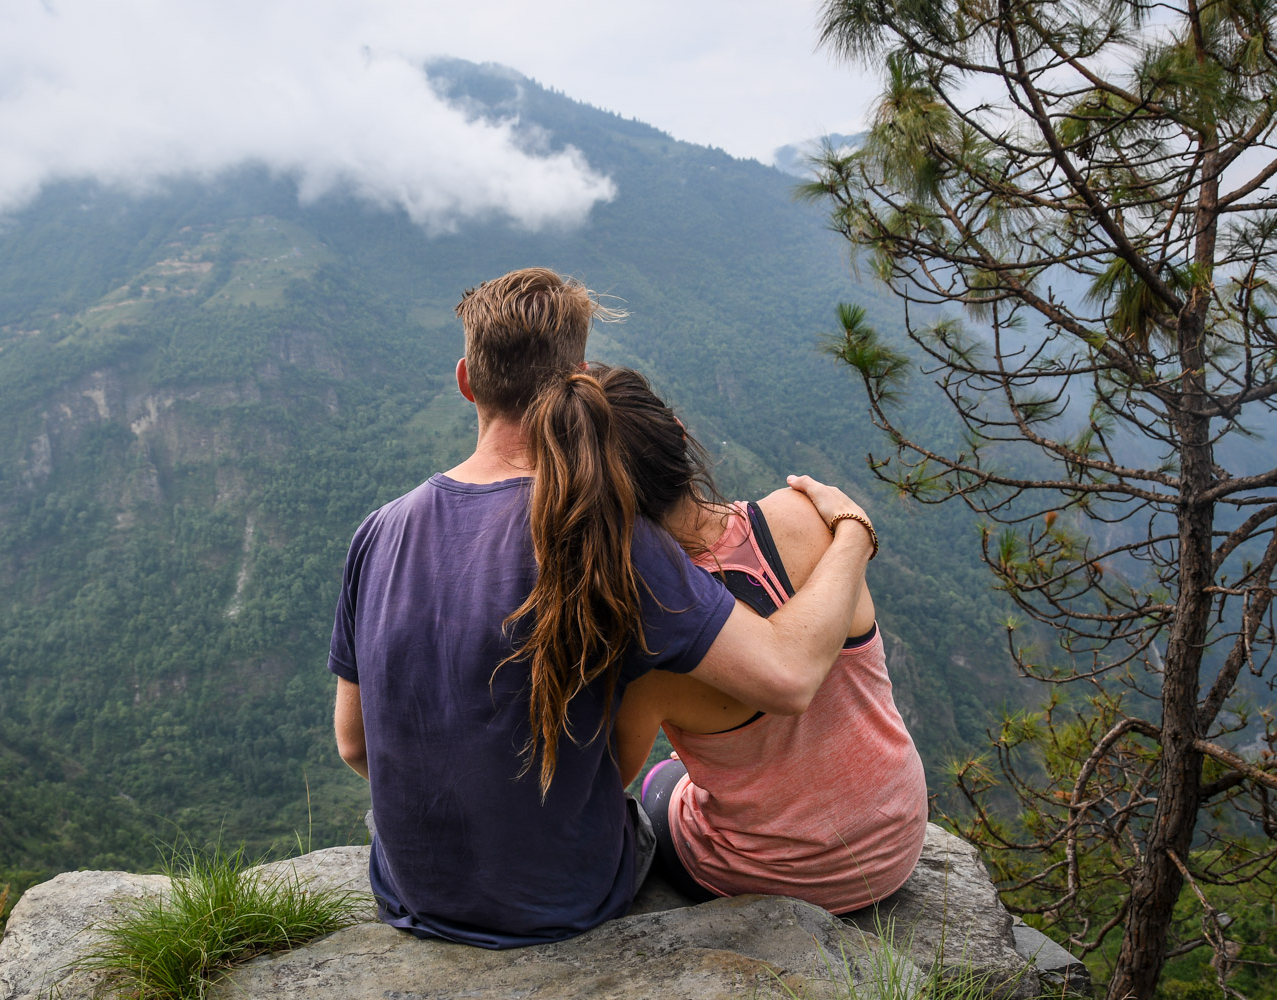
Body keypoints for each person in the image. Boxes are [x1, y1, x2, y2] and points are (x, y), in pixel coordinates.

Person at [329, 268, 876, 948]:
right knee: (659, 787)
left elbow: (353, 744)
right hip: (566, 898)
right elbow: (788, 678)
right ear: (580, 378)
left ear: (467, 379)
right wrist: (854, 531)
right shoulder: (603, 536)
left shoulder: (378, 531)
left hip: (409, 892)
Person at [524, 364, 926, 913]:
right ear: (681, 433)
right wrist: (856, 529)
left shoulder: (653, 637)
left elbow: (606, 778)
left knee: (662, 781)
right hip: (896, 844)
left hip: (782, 878)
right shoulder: (811, 516)